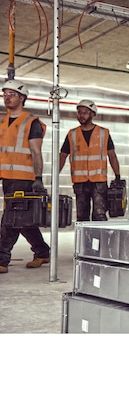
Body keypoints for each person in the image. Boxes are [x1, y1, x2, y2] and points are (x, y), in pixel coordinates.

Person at [0, 80, 51, 273]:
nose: (7, 97)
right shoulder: (2, 122)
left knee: (11, 220)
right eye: (5, 94)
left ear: (22, 98)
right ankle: (42, 252)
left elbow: (36, 152)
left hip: (24, 179)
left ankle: (2, 259)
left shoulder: (32, 122)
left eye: (11, 94)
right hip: (8, 178)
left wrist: (38, 178)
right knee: (23, 220)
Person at [59, 99, 121, 221]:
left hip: (99, 182)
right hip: (80, 182)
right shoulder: (72, 134)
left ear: (93, 114)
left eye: (85, 112)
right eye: (79, 112)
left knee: (99, 215)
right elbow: (62, 156)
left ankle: (101, 240)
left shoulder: (104, 133)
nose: (81, 115)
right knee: (82, 217)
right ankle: (85, 241)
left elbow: (112, 155)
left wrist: (117, 176)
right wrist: (55, 175)